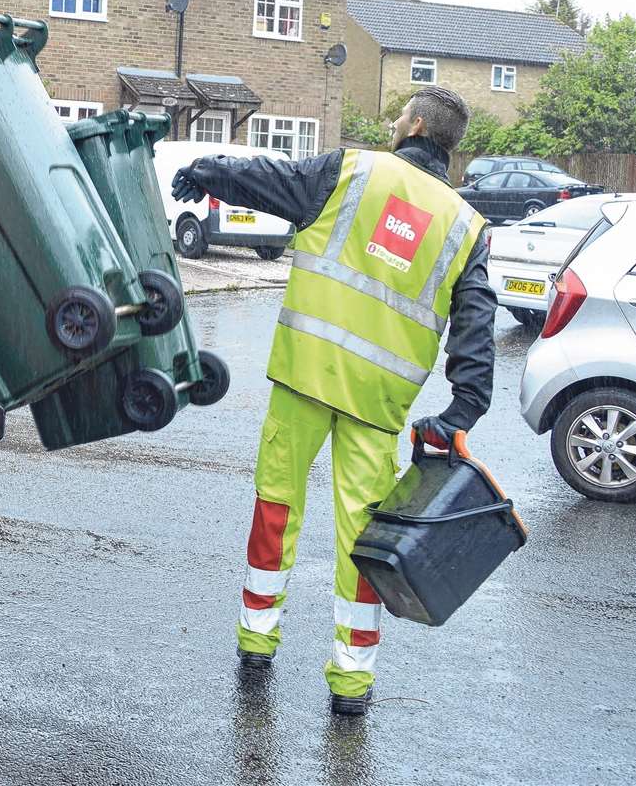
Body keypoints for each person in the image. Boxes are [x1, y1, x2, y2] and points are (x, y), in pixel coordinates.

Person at [170, 86, 495, 716]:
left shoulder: (352, 171)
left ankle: (256, 639)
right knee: (364, 539)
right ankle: (352, 678)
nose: (395, 120)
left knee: (276, 508)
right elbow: (477, 324)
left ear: (417, 125)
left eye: (401, 113)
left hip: (304, 377)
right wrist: (465, 408)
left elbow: (270, 180)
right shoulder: (465, 226)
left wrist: (205, 172)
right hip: (378, 405)